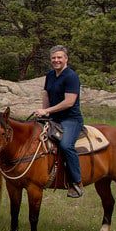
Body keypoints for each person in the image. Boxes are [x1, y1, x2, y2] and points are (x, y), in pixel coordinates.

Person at [34, 45, 84, 198]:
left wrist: (48, 111)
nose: (56, 60)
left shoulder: (71, 76)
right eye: (53, 58)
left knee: (66, 145)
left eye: (59, 57)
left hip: (71, 119)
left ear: (66, 59)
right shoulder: (50, 75)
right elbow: (46, 95)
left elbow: (69, 102)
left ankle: (76, 182)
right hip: (54, 118)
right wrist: (43, 113)